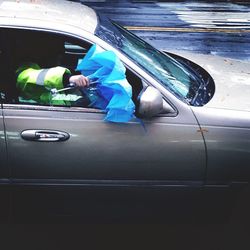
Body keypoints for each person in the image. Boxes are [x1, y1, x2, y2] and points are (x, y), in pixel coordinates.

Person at [14, 31, 90, 106]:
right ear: (44, 51)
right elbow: (45, 77)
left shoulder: (44, 68)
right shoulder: (23, 74)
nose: (61, 56)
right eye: (57, 51)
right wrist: (68, 78)